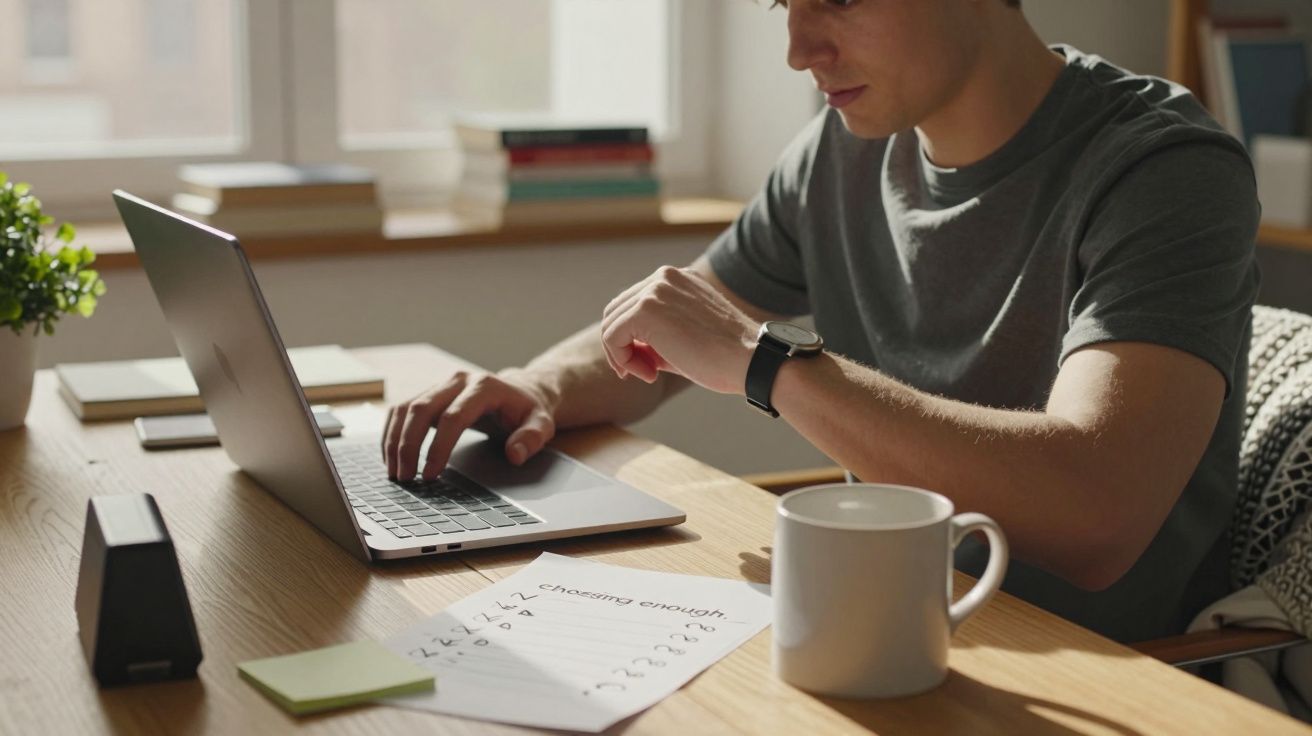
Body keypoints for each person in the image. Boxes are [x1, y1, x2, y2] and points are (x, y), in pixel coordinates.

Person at [383, 0, 1259, 644]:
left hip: (1091, 670)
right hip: (876, 628)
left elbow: (1096, 516)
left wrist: (766, 365)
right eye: (782, 4)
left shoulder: (1164, 170)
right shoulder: (841, 151)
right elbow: (676, 320)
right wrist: (538, 385)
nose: (800, 48)